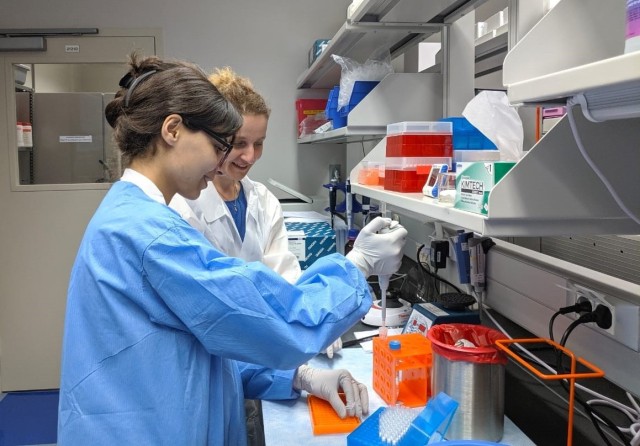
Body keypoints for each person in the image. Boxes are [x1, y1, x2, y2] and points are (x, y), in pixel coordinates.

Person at [57, 53, 407, 446]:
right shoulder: (149, 234)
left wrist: (299, 376)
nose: (227, 160)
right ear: (173, 130)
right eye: (221, 144)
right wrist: (356, 266)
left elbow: (205, 349)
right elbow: (268, 318)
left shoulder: (131, 216)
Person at [169, 67, 343, 446]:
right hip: (213, 364)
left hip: (261, 358)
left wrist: (315, 318)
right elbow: (214, 312)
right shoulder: (183, 206)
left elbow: (283, 275)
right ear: (212, 137)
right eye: (238, 143)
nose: (249, 156)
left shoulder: (262, 199)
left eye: (259, 143)